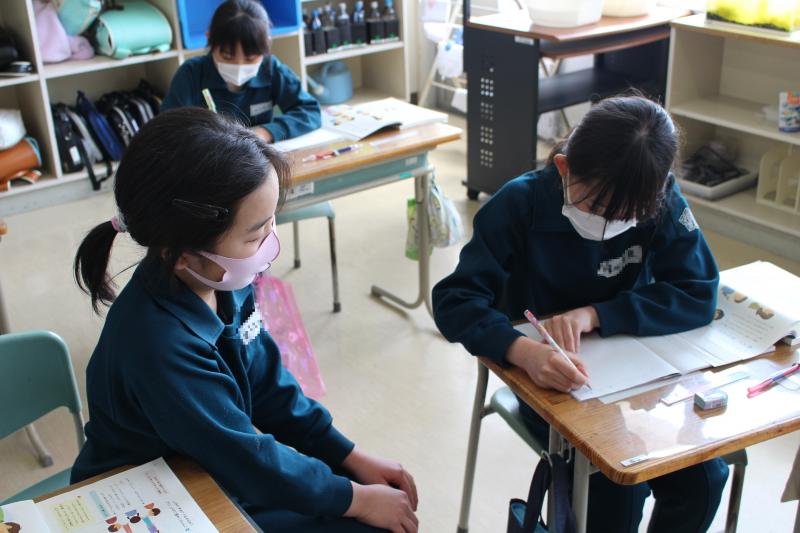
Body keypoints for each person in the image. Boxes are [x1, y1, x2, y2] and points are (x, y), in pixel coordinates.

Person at [71, 108, 418, 533]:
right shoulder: (157, 345)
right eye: (256, 234)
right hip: (150, 500)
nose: (271, 242)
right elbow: (245, 458)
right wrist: (355, 498)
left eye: (272, 221)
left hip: (207, 471)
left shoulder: (223, 279)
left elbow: (270, 388)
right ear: (183, 254)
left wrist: (347, 454)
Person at [432, 95, 728, 533]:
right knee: (616, 489)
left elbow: (698, 290)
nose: (612, 224)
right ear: (563, 168)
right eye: (599, 208)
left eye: (630, 216)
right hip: (551, 380)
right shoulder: (518, 204)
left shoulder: (657, 196)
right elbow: (455, 300)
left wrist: (597, 314)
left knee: (703, 479)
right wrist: (523, 352)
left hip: (638, 372)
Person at [161, 0, 319, 143]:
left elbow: (310, 111)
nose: (239, 65)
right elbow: (167, 131)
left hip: (256, 158)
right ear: (209, 39)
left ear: (266, 44)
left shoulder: (270, 69)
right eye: (227, 57)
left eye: (250, 58)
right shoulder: (191, 74)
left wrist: (265, 133)